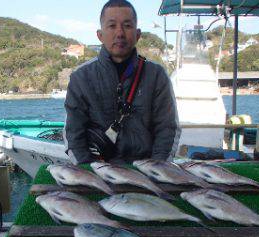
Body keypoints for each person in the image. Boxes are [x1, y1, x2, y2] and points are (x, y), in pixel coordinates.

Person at [64, 0, 180, 164]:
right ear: (100, 35)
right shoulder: (81, 77)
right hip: (99, 171)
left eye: (127, 25)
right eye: (112, 26)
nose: (119, 33)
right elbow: (73, 133)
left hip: (147, 171)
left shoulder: (157, 75)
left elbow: (167, 128)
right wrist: (87, 172)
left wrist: (157, 168)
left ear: (138, 34)